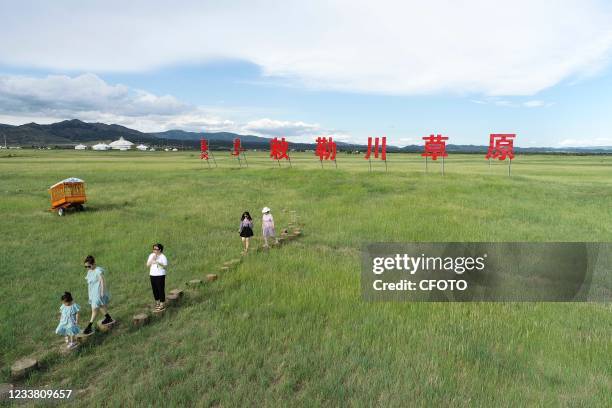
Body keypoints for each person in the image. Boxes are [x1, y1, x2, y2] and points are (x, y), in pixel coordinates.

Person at [83, 255, 114, 334]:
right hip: (93, 293)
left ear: (93, 264)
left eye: (89, 266)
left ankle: (89, 326)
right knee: (99, 307)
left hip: (98, 292)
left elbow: (102, 281)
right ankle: (108, 318)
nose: (87, 268)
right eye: (86, 267)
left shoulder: (98, 270)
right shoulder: (90, 272)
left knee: (95, 309)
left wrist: (102, 292)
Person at [146, 243, 168, 311]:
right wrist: (152, 259)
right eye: (153, 249)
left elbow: (165, 266)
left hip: (160, 275)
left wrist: (157, 262)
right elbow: (147, 265)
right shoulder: (151, 255)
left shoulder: (163, 257)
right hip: (152, 275)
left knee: (160, 289)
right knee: (154, 289)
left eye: (156, 249)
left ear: (160, 250)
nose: (154, 250)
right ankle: (157, 303)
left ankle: (162, 304)